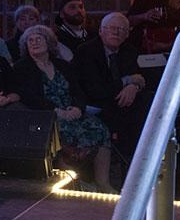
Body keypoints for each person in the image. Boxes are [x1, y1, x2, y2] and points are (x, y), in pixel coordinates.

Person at [12, 26, 114, 192]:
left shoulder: (62, 65)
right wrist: (56, 111)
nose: (34, 43)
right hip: (46, 115)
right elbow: (28, 97)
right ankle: (73, 182)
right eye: (30, 40)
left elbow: (78, 91)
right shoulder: (22, 68)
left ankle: (103, 181)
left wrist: (78, 108)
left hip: (70, 110)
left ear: (49, 42)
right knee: (64, 132)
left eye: (39, 39)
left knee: (99, 127)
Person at [75, 12, 153, 148]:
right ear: (101, 31)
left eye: (121, 29)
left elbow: (140, 78)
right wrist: (127, 81)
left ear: (127, 34)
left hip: (121, 100)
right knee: (129, 113)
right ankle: (126, 154)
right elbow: (96, 89)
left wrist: (134, 86)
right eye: (111, 28)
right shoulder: (86, 51)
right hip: (95, 102)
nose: (116, 32)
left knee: (148, 100)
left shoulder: (130, 51)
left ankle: (140, 154)